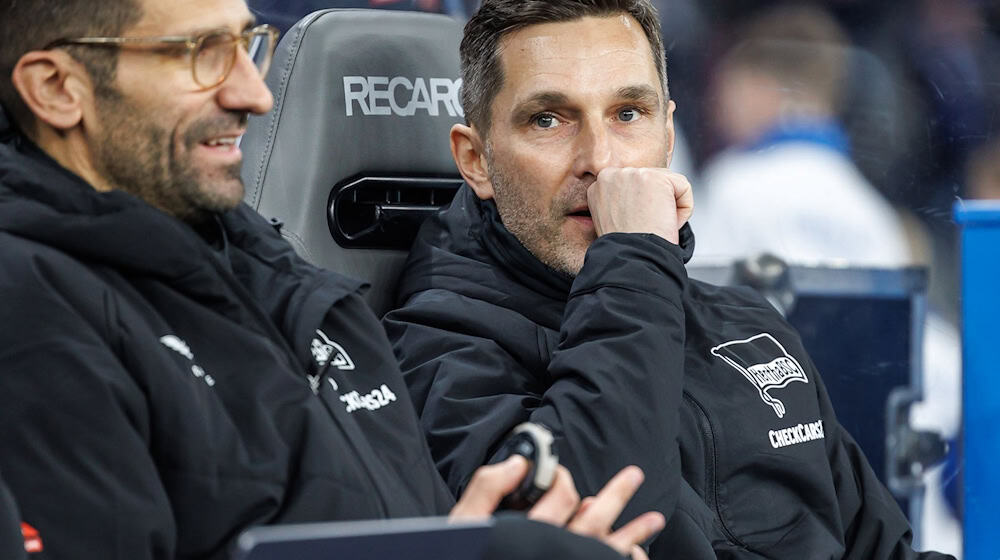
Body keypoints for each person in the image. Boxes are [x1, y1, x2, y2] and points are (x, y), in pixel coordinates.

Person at [0, 0, 664, 558]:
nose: (253, 94)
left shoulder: (288, 282)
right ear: (57, 88)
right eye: (200, 53)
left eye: (247, 44)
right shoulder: (30, 320)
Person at [382, 0, 954, 558]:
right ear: (476, 160)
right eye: (548, 119)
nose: (601, 160)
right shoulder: (432, 357)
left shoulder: (748, 327)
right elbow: (607, 513)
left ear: (669, 133)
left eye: (628, 113)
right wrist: (635, 256)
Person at [690, 4, 915, 268]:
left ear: (760, 87)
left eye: (729, 90)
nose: (718, 109)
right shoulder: (874, 213)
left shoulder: (731, 185)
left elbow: (696, 295)